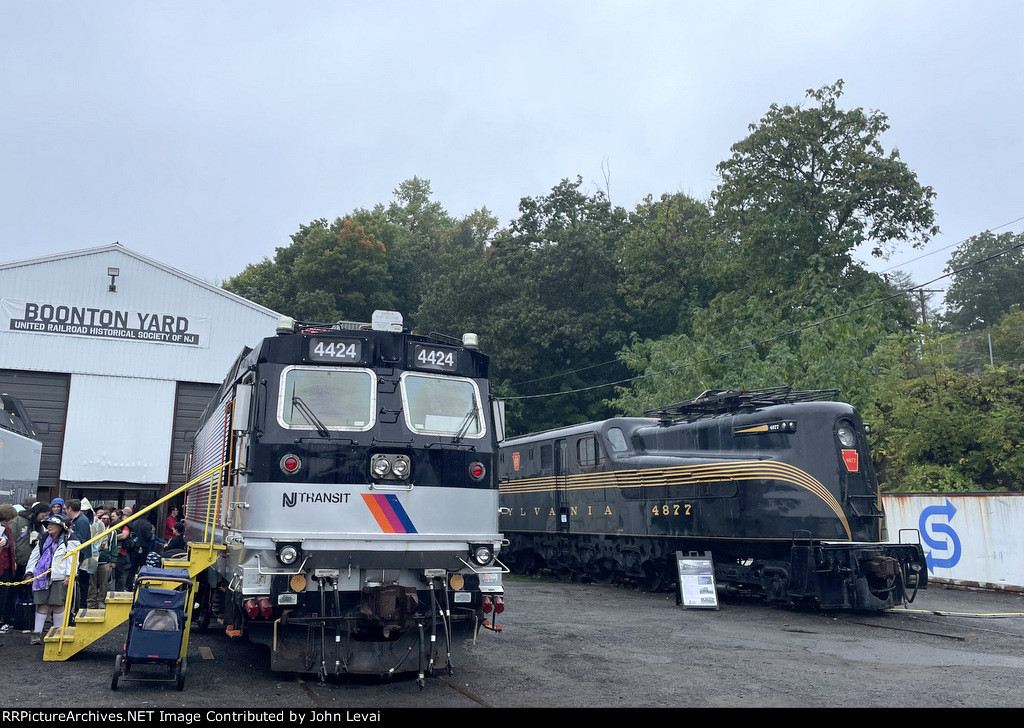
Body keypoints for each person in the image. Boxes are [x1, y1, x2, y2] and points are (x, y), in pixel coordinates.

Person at [24, 514, 80, 645]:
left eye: (51, 524)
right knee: (42, 604)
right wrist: (29, 572)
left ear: (60, 527)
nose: (48, 527)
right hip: (42, 576)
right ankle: (37, 634)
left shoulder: (70, 539)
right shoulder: (44, 538)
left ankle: (58, 633)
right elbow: (35, 556)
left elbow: (73, 559)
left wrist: (68, 575)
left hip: (59, 576)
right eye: (47, 524)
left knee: (58, 604)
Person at [64, 499, 92, 613]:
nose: (64, 510)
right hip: (78, 557)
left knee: (82, 584)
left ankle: (79, 607)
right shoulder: (76, 520)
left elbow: (82, 540)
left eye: (66, 508)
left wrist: (71, 531)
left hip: (81, 558)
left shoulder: (82, 521)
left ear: (70, 509)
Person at [0, 504, 16, 634]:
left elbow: (9, 545)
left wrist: (13, 562)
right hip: (2, 567)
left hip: (5, 568)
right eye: (11, 518)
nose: (12, 521)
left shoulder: (7, 529)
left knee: (3, 599)